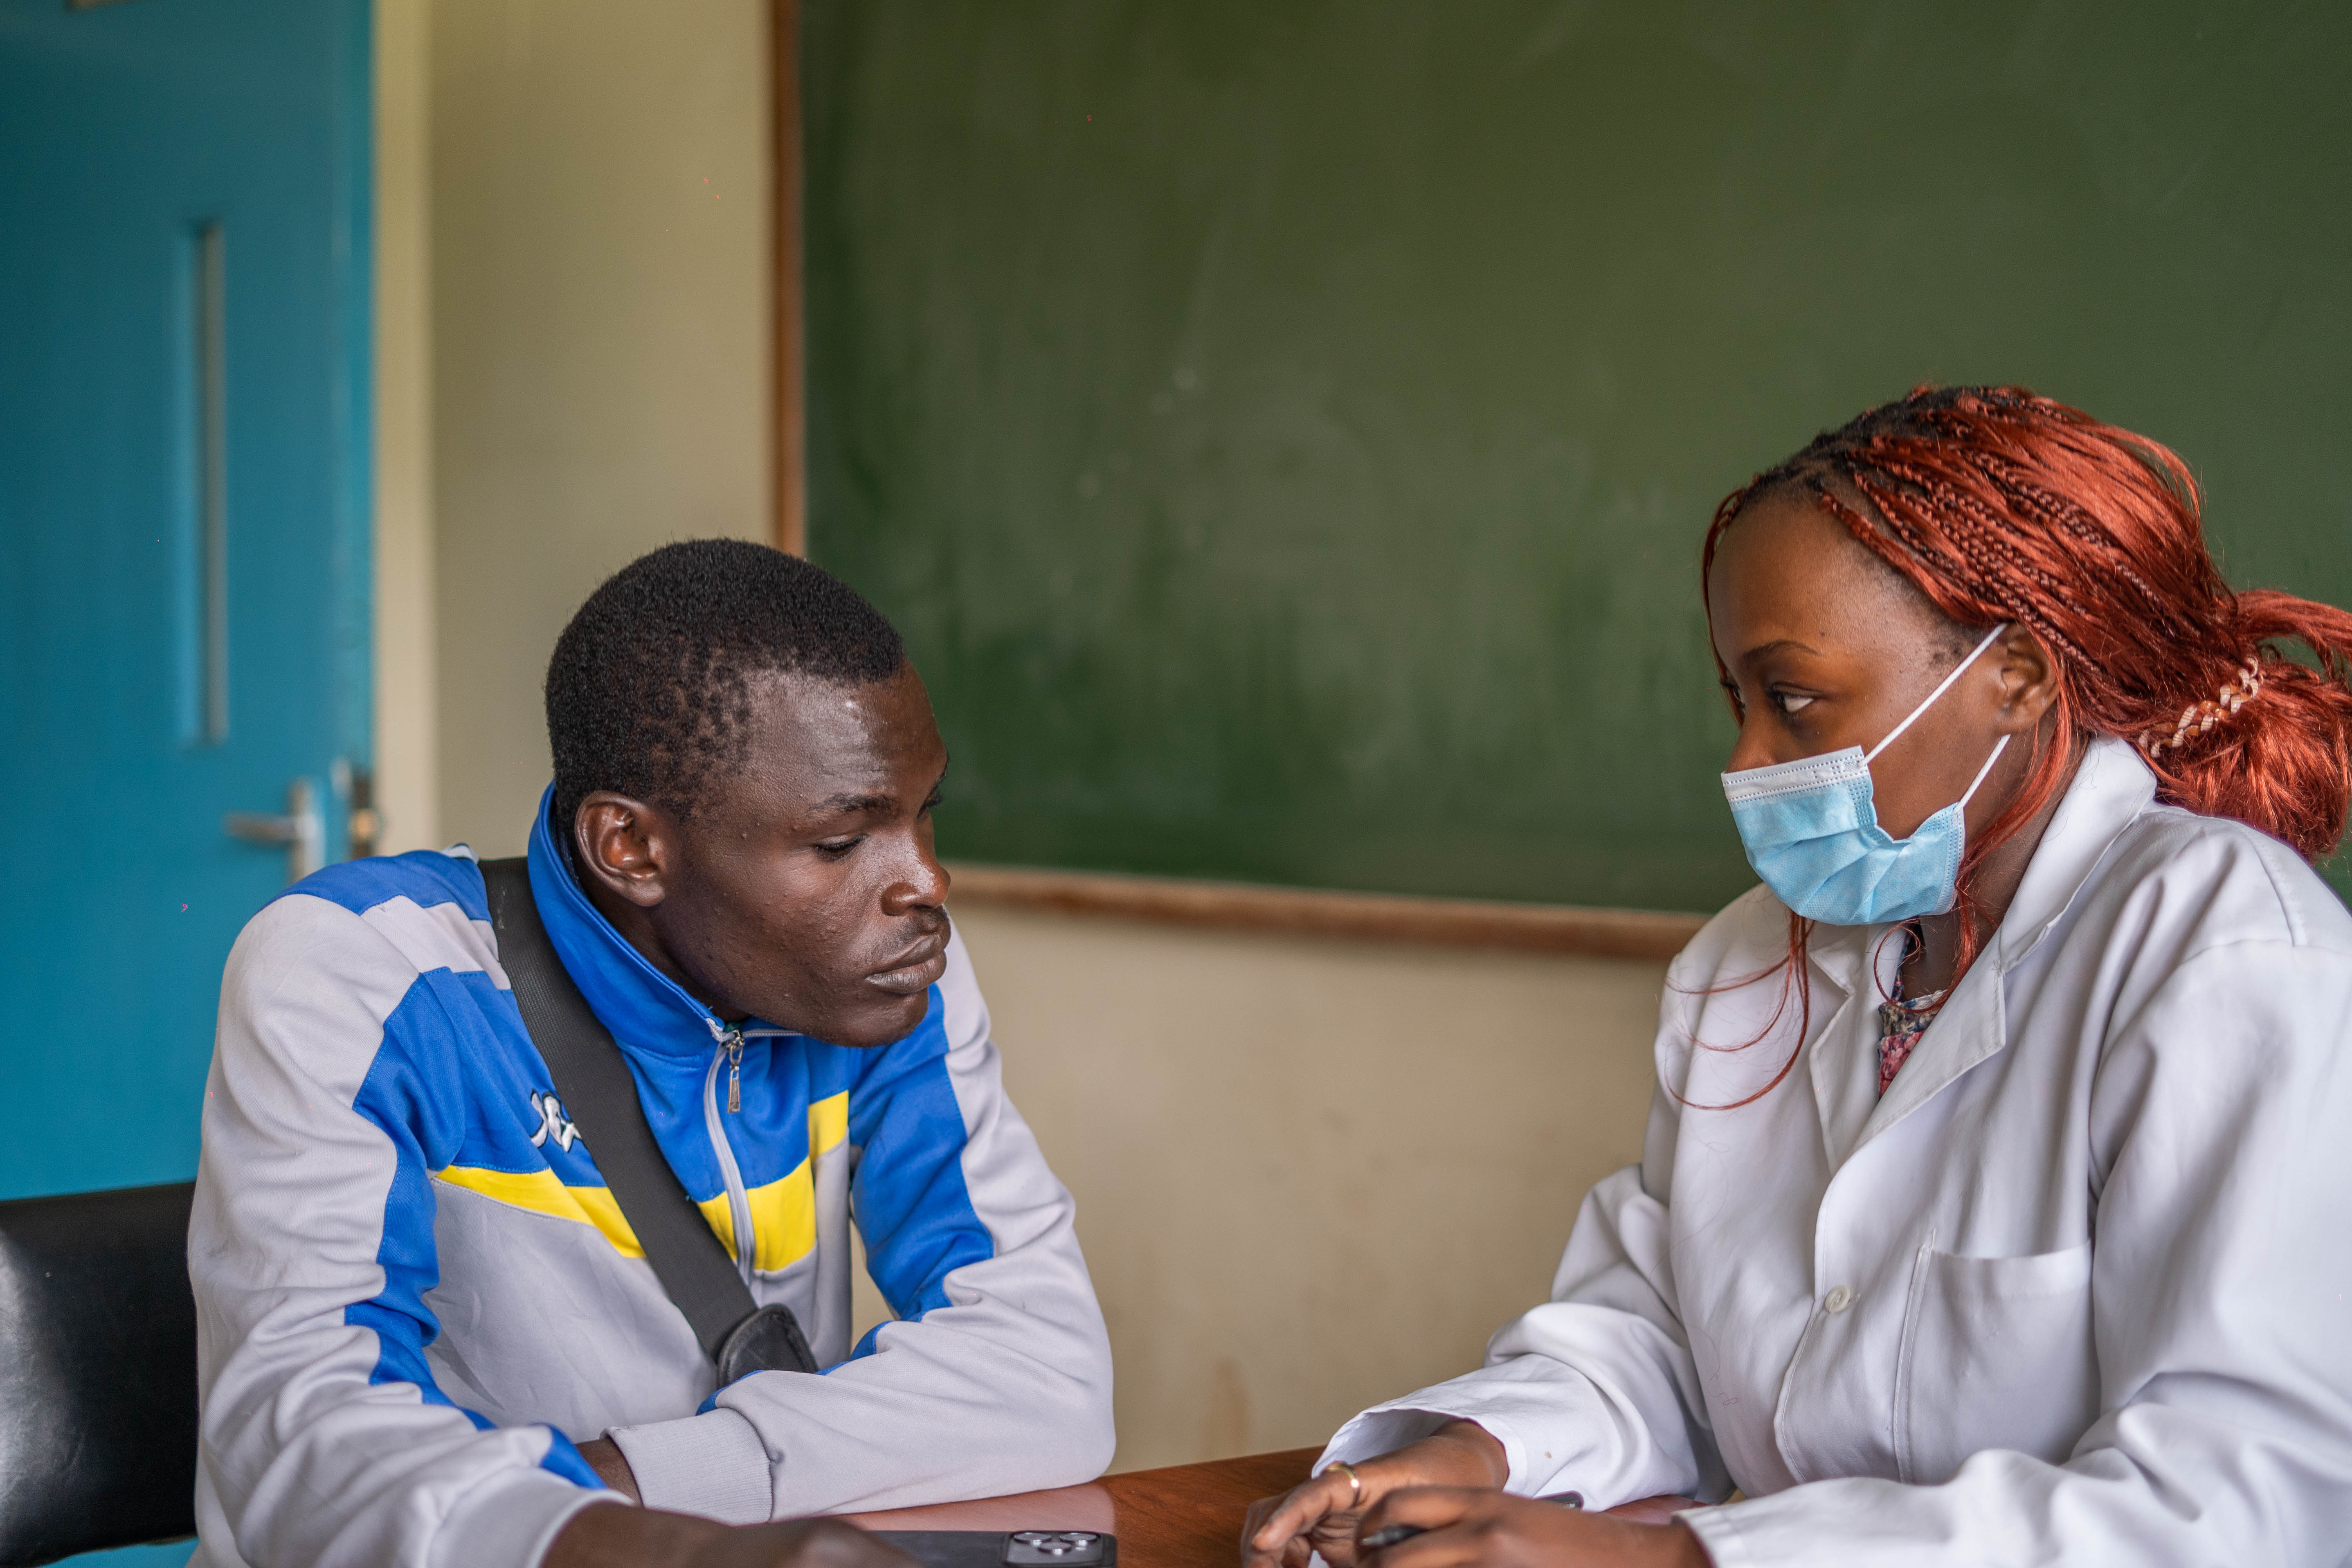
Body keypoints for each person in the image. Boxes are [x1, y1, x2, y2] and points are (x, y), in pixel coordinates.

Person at [1244, 387, 2352, 1568]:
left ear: (2018, 677)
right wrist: (1478, 1455)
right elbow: (1662, 1335)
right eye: (1737, 701)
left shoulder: (2216, 950)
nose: (1745, 758)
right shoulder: (1745, 962)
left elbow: (2241, 1503)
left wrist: (1673, 1558)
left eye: (1793, 700)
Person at [191, 542, 1115, 1568]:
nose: (925, 885)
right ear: (630, 848)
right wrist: (677, 1551)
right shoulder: (365, 972)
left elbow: (1047, 1371)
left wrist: (645, 1484)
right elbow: (301, 1445)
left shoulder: (884, 973)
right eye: (840, 843)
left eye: (923, 813)